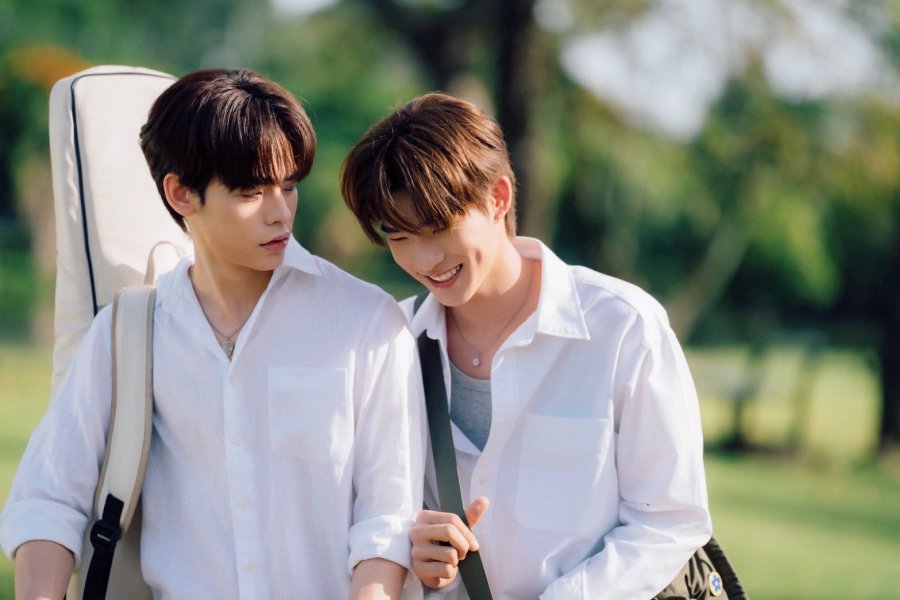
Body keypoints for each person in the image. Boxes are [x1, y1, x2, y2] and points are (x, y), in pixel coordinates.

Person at [0, 68, 425, 599]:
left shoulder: (366, 322)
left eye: (289, 187)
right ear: (181, 193)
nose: (280, 213)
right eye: (251, 193)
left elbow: (388, 520)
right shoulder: (130, 331)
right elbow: (47, 498)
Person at [340, 92, 712, 599]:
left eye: (439, 227)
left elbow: (669, 521)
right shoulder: (391, 343)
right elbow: (376, 519)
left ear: (498, 197)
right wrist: (416, 555)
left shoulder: (623, 328)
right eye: (399, 237)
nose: (425, 260)